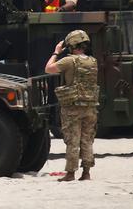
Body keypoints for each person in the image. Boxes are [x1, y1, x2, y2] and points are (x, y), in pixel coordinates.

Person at [45, 29, 99, 182]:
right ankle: (86, 173)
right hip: (90, 106)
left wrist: (56, 52)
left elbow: (48, 68)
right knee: (87, 139)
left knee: (72, 140)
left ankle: (70, 173)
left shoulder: (69, 61)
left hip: (72, 107)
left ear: (71, 45)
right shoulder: (93, 61)